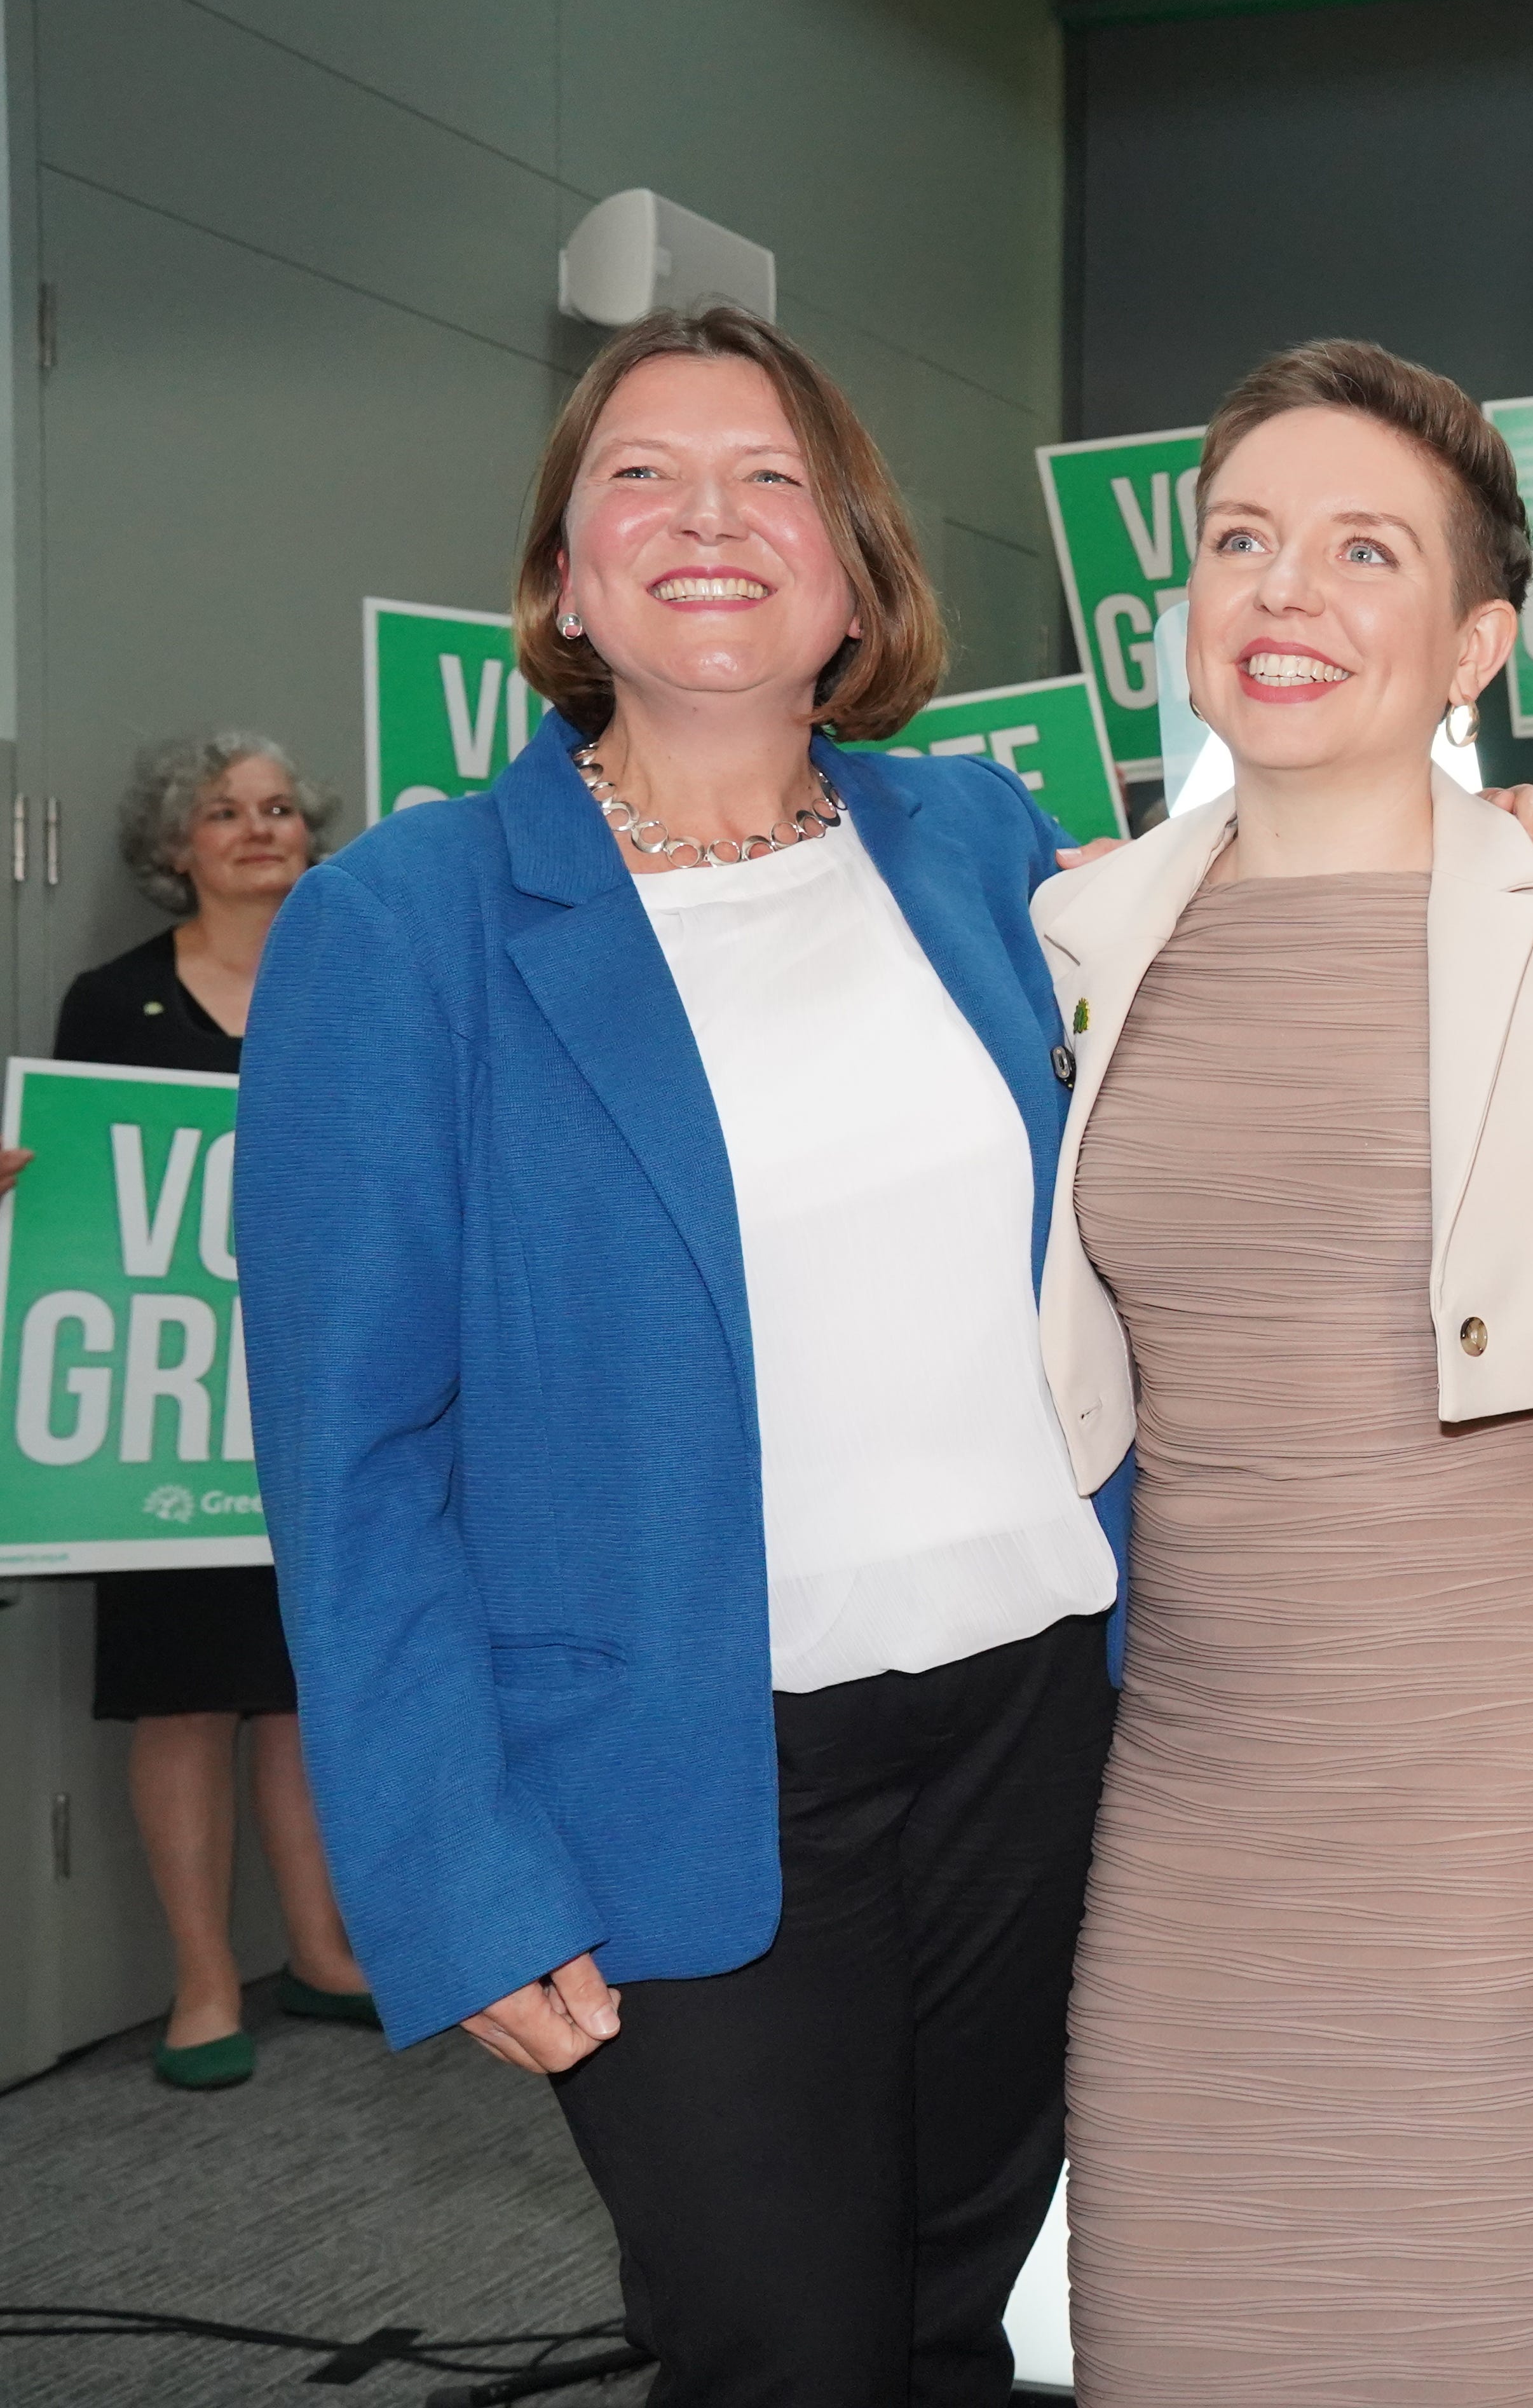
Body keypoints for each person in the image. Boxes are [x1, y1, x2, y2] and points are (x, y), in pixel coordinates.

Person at [237, 305, 1129, 2407]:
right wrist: (448, 1867)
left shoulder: (982, 845)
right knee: (781, 2350)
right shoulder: (405, 925)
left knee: (959, 2327)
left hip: (1038, 1727)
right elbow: (350, 1459)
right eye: (643, 473)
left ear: (854, 569)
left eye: (772, 479)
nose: (710, 517)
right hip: (678, 1770)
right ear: (565, 574)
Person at [1037, 339, 1533, 2404]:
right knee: (1188, 2293)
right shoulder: (1089, 920)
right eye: (1241, 542)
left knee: (1496, 2283)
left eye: (1362, 550)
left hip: (1507, 1714)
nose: (1284, 592)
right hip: (1206, 1730)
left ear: (1475, 640)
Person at [18, 737, 377, 2088]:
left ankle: (325, 1953)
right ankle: (203, 1980)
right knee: (183, 1693)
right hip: (155, 1410)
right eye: (224, 811)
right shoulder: (109, 1000)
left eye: (280, 807)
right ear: (175, 846)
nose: (258, 828)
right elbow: (76, 1195)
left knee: (301, 1686)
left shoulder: (356, 976)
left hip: (319, 1389)